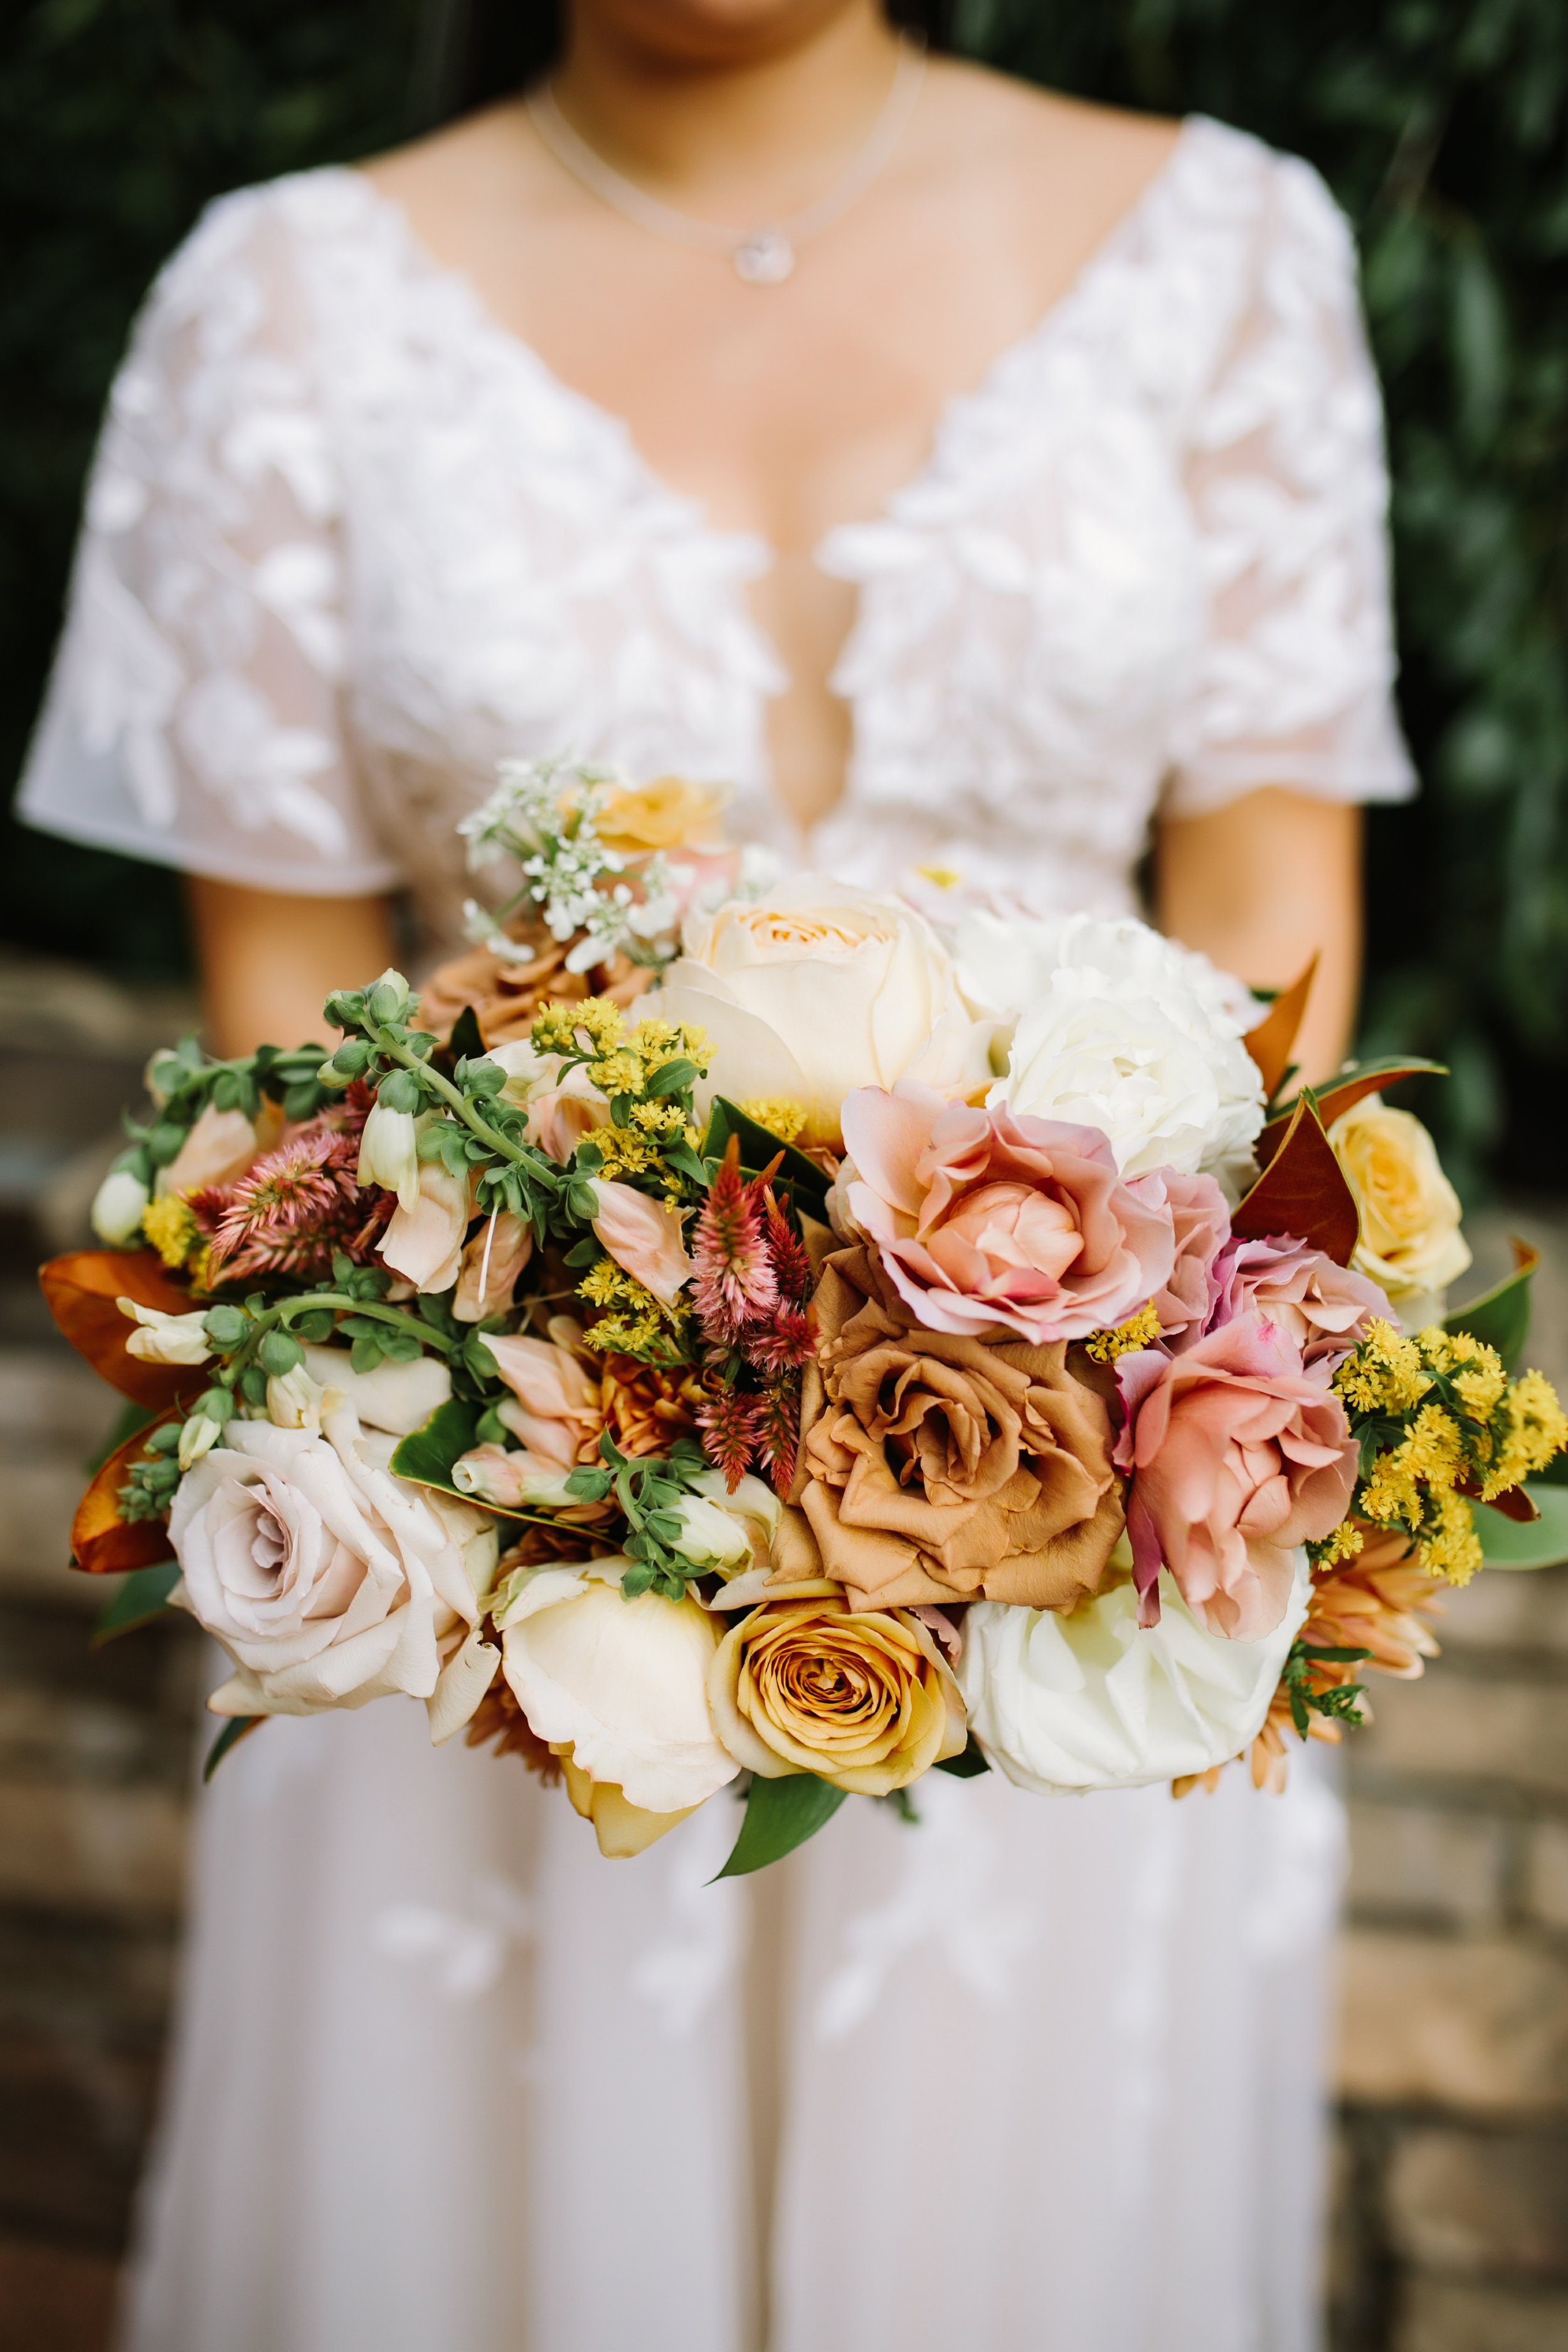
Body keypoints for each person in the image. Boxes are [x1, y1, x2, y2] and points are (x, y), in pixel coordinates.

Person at [19, 3, 1414, 2345]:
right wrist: (539, 1472)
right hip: (502, 1564)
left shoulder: (1226, 249)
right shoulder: (277, 301)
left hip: (1078, 1546)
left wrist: (1137, 1403)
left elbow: (1283, 971)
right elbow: (274, 1052)